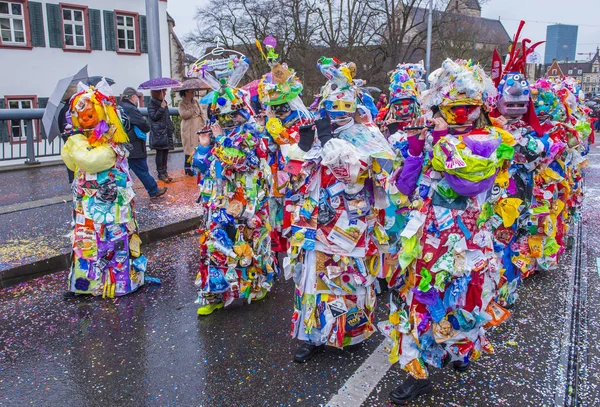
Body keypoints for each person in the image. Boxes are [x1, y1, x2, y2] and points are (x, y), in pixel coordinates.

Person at [285, 57, 396, 362]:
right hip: (315, 221)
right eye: (330, 104)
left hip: (350, 223)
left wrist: (333, 144)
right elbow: (293, 170)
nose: (335, 111)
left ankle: (349, 331)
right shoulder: (320, 129)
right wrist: (306, 145)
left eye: (342, 105)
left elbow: (364, 174)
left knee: (346, 277)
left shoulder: (367, 134)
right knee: (312, 277)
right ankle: (312, 334)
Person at [189, 52, 278, 316]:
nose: (226, 121)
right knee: (215, 242)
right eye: (221, 115)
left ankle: (255, 284)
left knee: (249, 241)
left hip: (247, 201)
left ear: (241, 111)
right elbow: (203, 167)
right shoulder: (217, 134)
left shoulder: (251, 133)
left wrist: (224, 143)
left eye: (231, 115)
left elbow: (248, 162)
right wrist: (205, 148)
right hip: (219, 199)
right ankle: (214, 292)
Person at [60, 79, 147, 298]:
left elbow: (91, 162)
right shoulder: (83, 140)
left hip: (110, 206)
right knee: (87, 240)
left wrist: (75, 144)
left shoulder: (111, 144)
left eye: (90, 113)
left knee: (111, 241)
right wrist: (76, 144)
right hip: (87, 203)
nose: (85, 118)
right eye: (81, 114)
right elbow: (72, 164)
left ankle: (117, 282)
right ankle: (86, 283)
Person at [120, 87, 167, 198]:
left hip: (125, 144)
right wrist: (146, 124)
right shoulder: (131, 109)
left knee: (124, 169)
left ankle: (121, 191)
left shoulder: (121, 107)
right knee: (141, 169)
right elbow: (144, 125)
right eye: (137, 97)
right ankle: (153, 190)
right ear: (132, 97)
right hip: (134, 144)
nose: (137, 99)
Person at [148, 89, 174, 182]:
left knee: (165, 153)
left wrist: (170, 127)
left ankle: (165, 172)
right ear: (158, 92)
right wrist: (161, 108)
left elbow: (166, 117)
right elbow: (153, 117)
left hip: (165, 131)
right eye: (163, 92)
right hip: (159, 132)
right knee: (160, 153)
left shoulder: (163, 102)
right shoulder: (152, 103)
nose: (165, 93)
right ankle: (161, 173)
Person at [178, 89, 205, 176]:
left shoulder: (196, 101)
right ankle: (188, 168)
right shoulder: (181, 103)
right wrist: (192, 109)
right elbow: (183, 115)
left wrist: (203, 122)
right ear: (186, 92)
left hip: (198, 126)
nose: (193, 92)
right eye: (191, 91)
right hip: (189, 128)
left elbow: (201, 112)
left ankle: (198, 166)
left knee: (198, 146)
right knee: (189, 148)